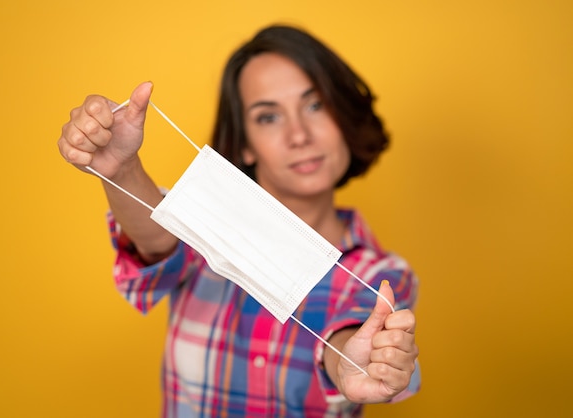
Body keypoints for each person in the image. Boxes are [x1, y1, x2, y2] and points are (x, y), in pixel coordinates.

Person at [58, 24, 420, 417]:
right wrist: (121, 170)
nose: (299, 135)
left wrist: (355, 361)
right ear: (245, 142)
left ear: (344, 117)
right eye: (268, 117)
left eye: (315, 106)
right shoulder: (206, 230)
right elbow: (158, 240)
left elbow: (351, 336)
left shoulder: (383, 272)